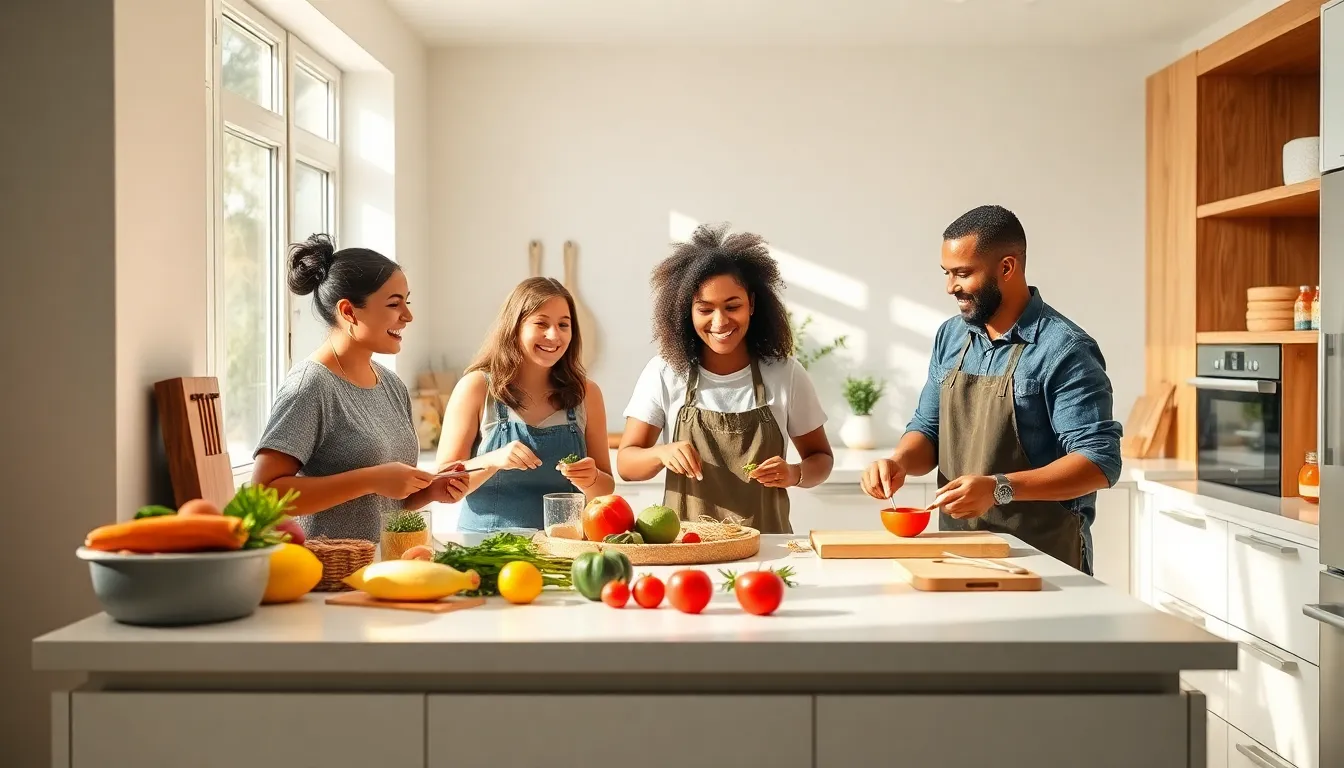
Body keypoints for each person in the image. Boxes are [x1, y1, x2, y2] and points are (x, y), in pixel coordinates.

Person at [860, 205, 1122, 574]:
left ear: (1007, 267)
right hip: (957, 553)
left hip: (1043, 561)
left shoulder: (1065, 349)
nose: (950, 286)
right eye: (947, 273)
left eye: (963, 273)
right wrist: (899, 462)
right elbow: (929, 430)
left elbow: (1099, 461)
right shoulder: (950, 336)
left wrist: (999, 487)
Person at [618, 223, 834, 534]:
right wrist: (661, 453)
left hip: (767, 548)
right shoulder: (664, 372)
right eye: (705, 309)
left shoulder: (785, 373)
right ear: (687, 311)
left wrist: (794, 473)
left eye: (732, 306)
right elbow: (626, 464)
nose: (720, 322)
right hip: (687, 549)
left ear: (752, 305)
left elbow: (821, 459)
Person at [252, 234, 469, 543]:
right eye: (394, 304)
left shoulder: (391, 385)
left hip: (385, 563)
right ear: (349, 312)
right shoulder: (311, 385)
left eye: (407, 302)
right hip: (326, 568)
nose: (408, 316)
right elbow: (265, 494)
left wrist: (430, 491)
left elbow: (386, 502)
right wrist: (371, 479)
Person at [436, 277, 615, 532]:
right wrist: (494, 461)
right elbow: (443, 480)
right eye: (541, 323)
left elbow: (605, 490)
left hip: (563, 545)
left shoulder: (587, 394)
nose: (554, 335)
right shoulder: (476, 387)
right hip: (485, 545)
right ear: (514, 326)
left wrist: (592, 479)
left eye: (563, 325)